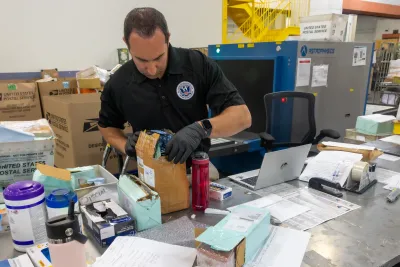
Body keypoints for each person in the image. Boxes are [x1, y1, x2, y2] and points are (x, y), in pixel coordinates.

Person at [99, 7, 251, 168]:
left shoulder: (198, 65)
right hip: (151, 175)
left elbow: (243, 117)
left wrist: (200, 129)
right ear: (126, 43)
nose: (151, 69)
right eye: (141, 60)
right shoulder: (119, 83)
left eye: (158, 57)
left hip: (197, 169)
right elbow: (107, 126)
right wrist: (125, 144)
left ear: (168, 38)